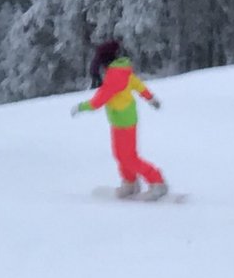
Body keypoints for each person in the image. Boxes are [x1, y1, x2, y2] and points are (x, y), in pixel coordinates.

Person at [70, 38, 168, 200]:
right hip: (121, 120)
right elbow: (137, 84)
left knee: (128, 157)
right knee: (120, 154)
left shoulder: (113, 79)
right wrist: (150, 98)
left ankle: (157, 182)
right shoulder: (122, 70)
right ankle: (130, 183)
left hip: (124, 121)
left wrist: (80, 107)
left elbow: (97, 102)